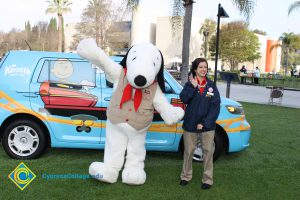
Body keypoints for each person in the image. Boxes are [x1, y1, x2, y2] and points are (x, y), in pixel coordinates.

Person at [179, 58, 221, 189]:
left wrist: (204, 123)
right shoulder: (189, 84)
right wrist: (193, 87)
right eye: (201, 67)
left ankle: (207, 180)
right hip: (190, 124)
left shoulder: (211, 85)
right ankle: (186, 176)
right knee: (188, 151)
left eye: (205, 67)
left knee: (208, 152)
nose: (204, 69)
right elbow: (184, 99)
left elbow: (215, 106)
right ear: (195, 69)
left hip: (207, 126)